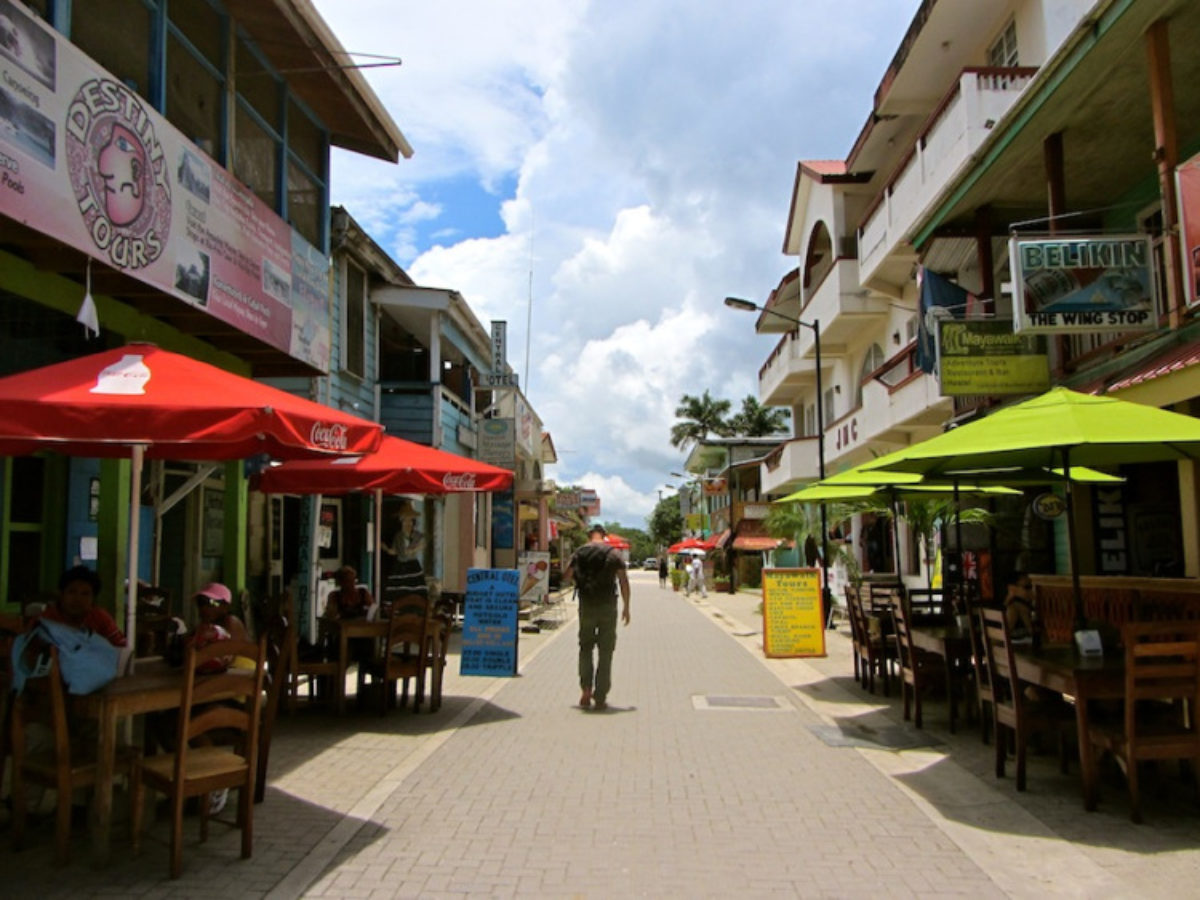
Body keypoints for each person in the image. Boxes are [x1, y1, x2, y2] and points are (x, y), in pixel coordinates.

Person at [563, 523, 630, 711]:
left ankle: (585, 688)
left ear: (589, 535)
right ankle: (600, 695)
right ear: (604, 536)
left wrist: (579, 578)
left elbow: (566, 576)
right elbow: (623, 581)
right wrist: (627, 607)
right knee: (606, 651)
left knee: (585, 648)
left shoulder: (579, 552)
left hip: (587, 605)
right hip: (608, 605)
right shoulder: (614, 553)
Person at [41, 565, 126, 647]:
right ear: (61, 594)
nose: (78, 599)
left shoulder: (100, 618)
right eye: (72, 592)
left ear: (93, 598)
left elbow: (121, 648)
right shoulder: (45, 620)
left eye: (85, 594)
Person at [383, 499, 425, 591]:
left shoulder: (417, 535)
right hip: (400, 567)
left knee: (414, 589)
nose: (407, 523)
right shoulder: (398, 536)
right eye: (405, 520)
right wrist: (385, 548)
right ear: (401, 522)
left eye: (410, 520)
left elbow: (423, 544)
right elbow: (394, 551)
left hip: (412, 566)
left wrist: (413, 550)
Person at [1003, 572, 1035, 639]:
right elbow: (1031, 631)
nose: (1031, 591)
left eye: (1031, 587)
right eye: (1027, 587)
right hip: (1017, 642)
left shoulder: (1020, 604)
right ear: (1012, 588)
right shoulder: (1015, 606)